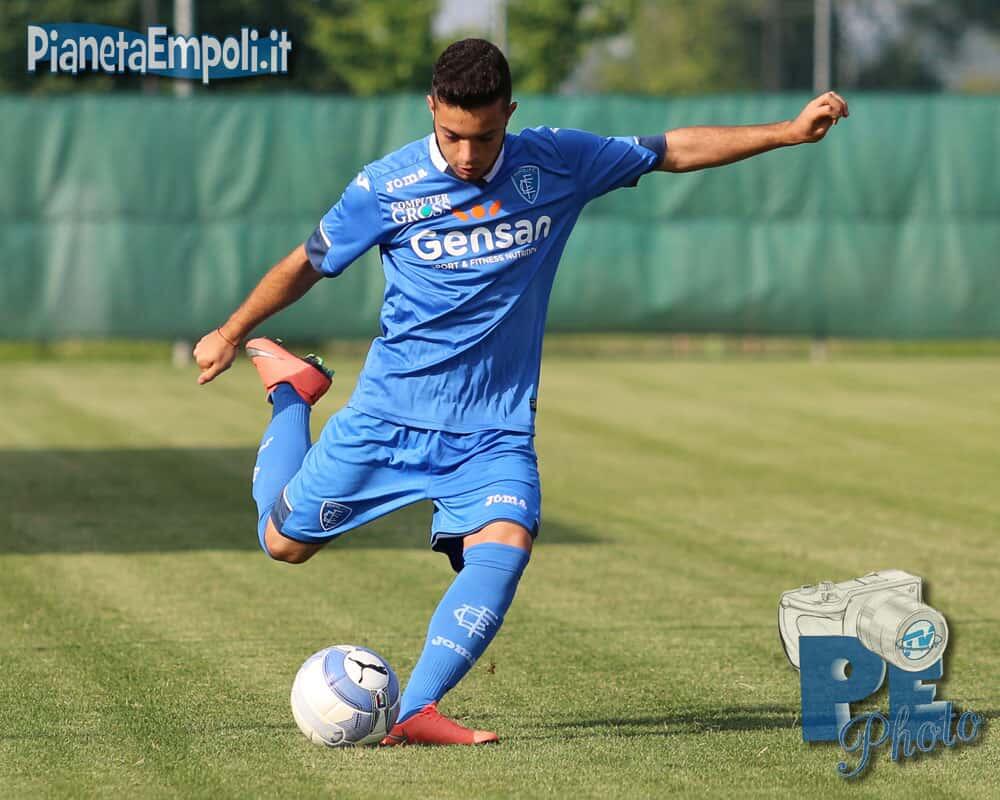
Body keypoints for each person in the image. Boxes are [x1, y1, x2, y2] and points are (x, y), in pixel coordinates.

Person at [193, 38, 848, 746]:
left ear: (509, 113)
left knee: (506, 541)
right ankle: (292, 393)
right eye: (451, 135)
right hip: (389, 418)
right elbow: (308, 262)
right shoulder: (386, 187)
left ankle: (415, 711)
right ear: (431, 109)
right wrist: (231, 333)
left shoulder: (556, 161)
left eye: (484, 136)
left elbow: (669, 149)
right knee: (282, 545)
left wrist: (788, 132)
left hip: (494, 427)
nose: (467, 155)